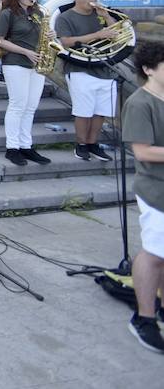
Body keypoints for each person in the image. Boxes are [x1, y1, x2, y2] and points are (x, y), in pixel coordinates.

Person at [121, 39, 164, 353]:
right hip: (156, 189)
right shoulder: (140, 103)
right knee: (154, 254)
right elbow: (143, 151)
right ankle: (144, 317)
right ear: (149, 70)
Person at [54, 0, 122, 162]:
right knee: (84, 111)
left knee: (101, 111)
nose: (91, 1)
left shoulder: (101, 15)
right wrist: (97, 35)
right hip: (79, 68)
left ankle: (93, 144)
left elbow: (118, 36)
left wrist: (107, 17)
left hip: (104, 67)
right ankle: (81, 145)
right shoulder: (65, 17)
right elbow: (66, 42)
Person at [0, 0, 53, 166]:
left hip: (36, 64)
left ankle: (26, 145)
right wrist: (25, 51)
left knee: (31, 106)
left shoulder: (38, 14)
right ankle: (12, 148)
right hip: (15, 62)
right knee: (18, 105)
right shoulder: (7, 14)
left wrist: (51, 35)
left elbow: (41, 37)